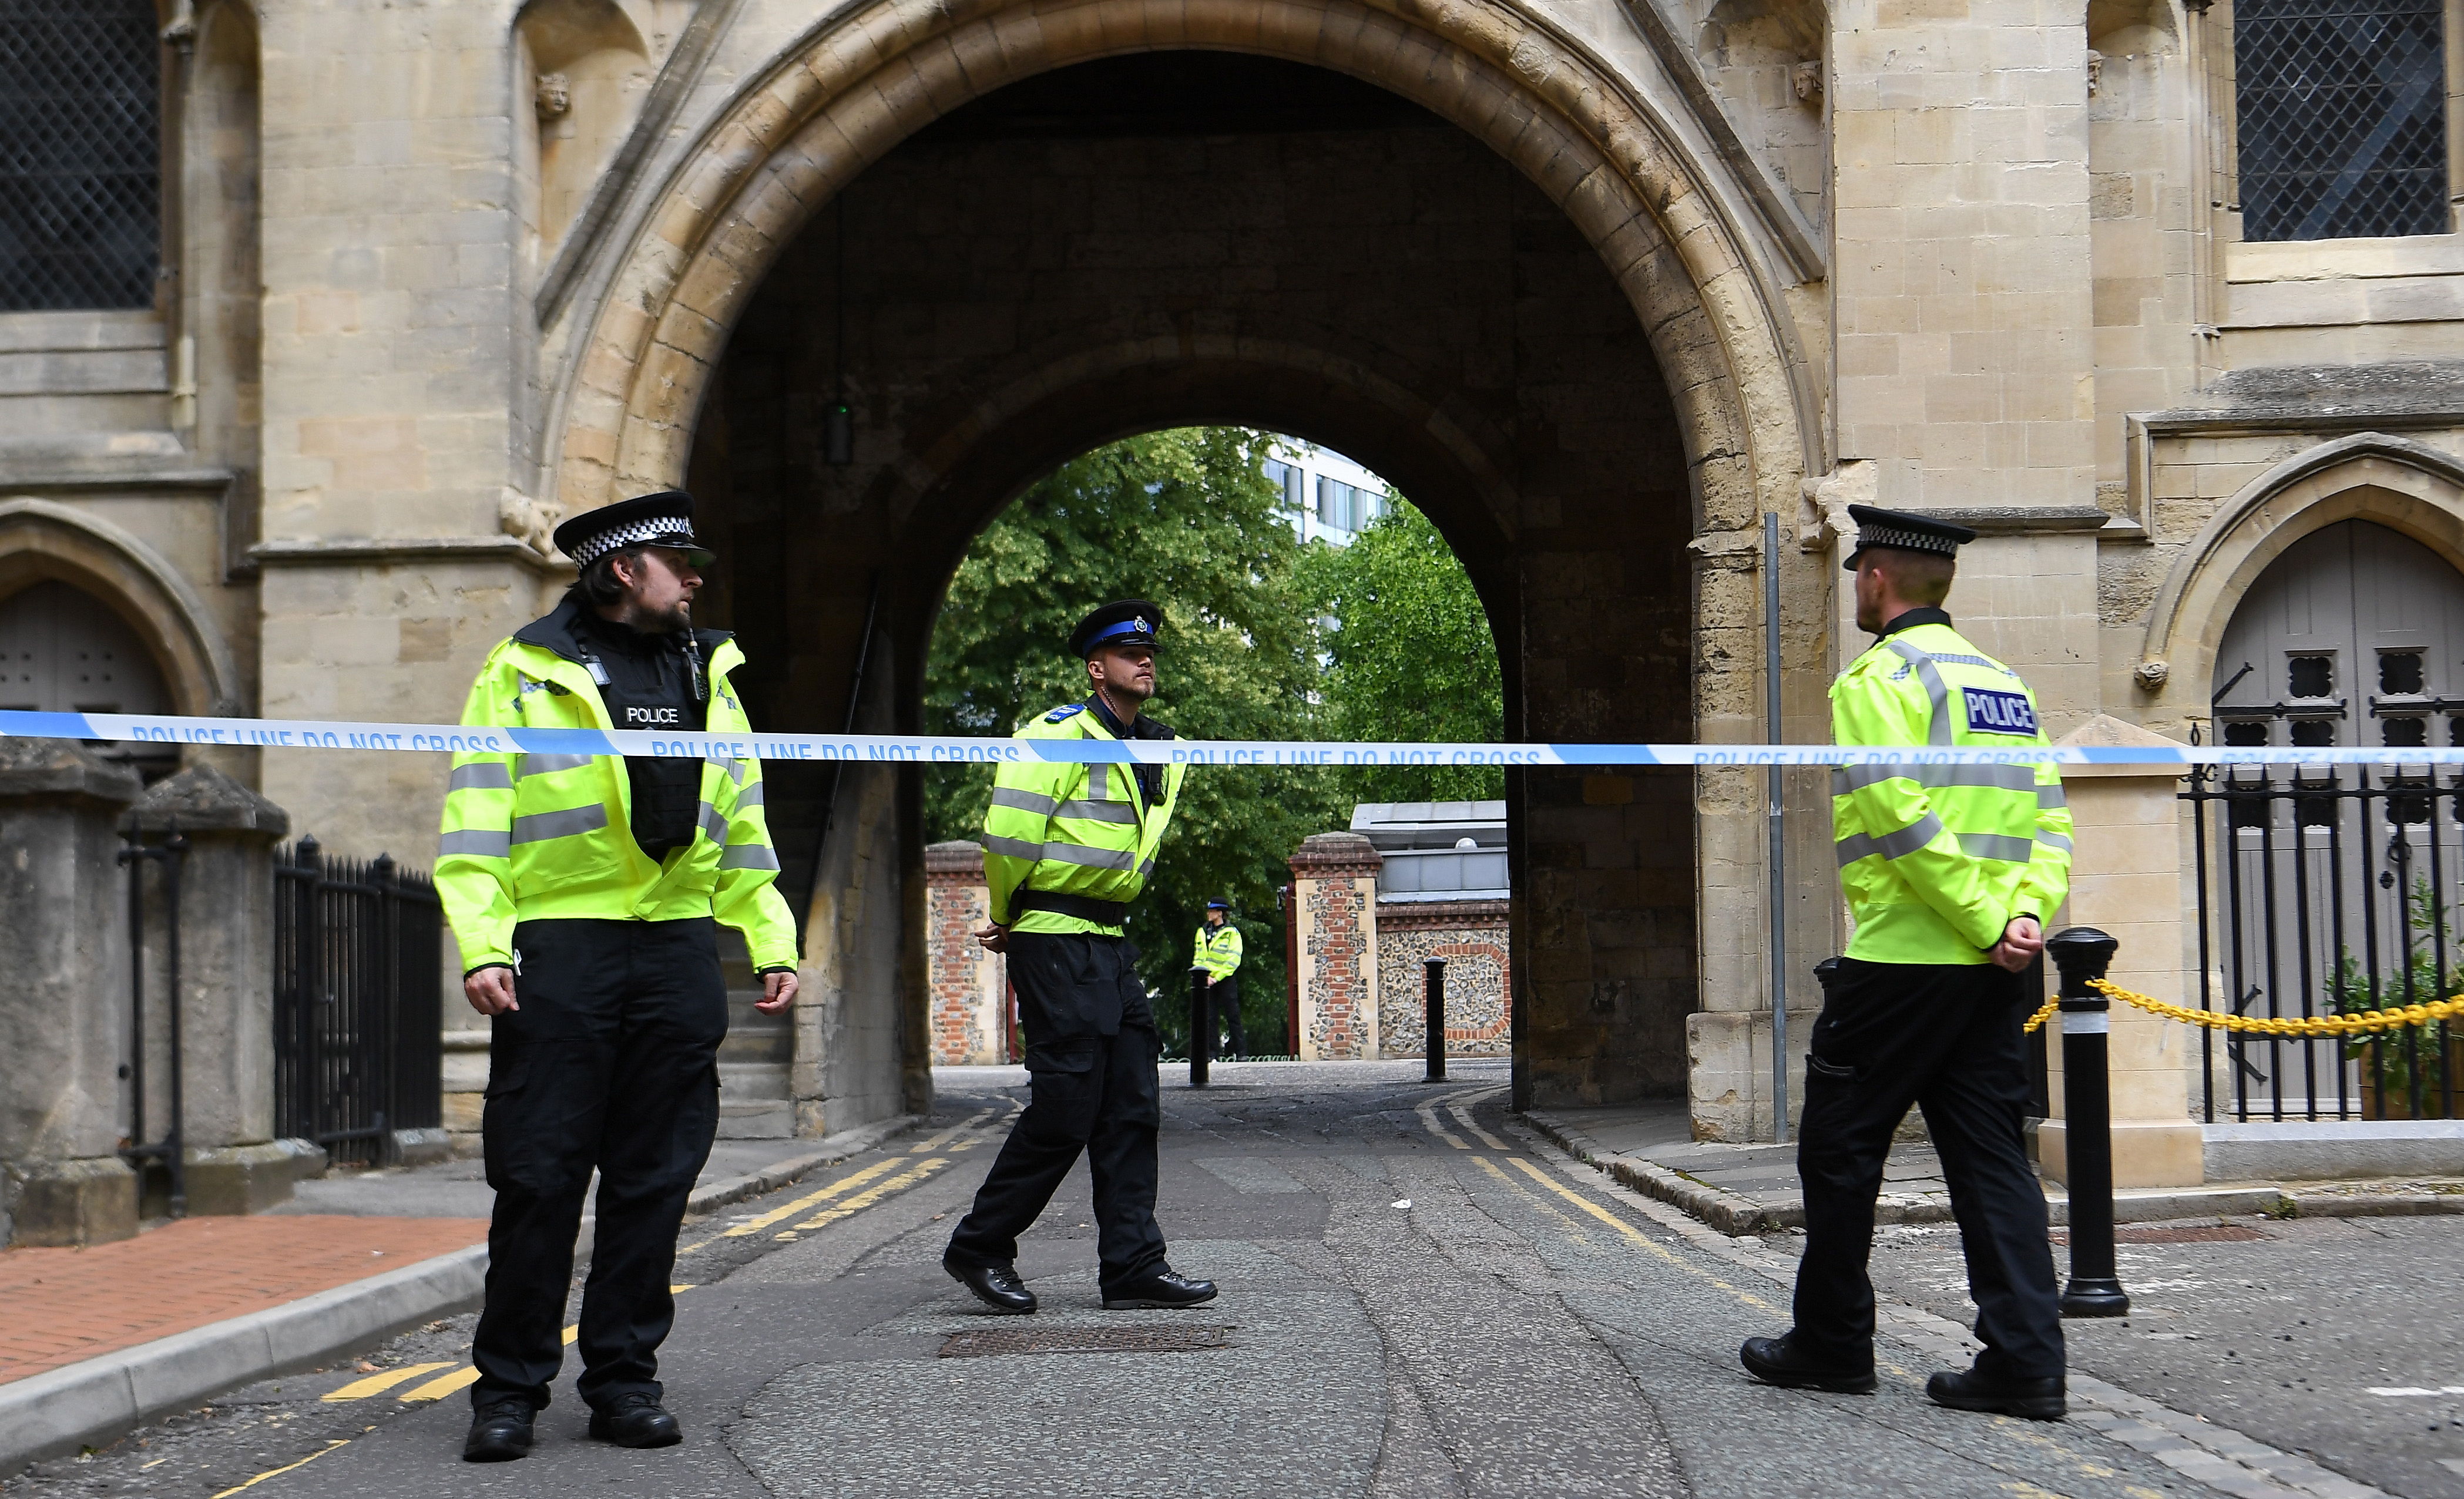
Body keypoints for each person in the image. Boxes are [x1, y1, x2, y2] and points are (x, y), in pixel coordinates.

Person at [435, 491, 799, 1462]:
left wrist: (768, 933)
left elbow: (743, 820)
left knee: (653, 1180)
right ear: (622, 570)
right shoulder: (522, 673)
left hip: (677, 949)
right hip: (562, 948)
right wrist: (483, 940)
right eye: (679, 562)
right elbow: (476, 819)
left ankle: (623, 1381)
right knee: (539, 1175)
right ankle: (506, 1389)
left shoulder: (711, 677)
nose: (695, 579)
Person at [1740, 504, 2074, 1421]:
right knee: (1989, 1160)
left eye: (1856, 575)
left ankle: (1833, 1342)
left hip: (1902, 961)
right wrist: (2022, 917)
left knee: (1839, 1149)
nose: (1854, 588)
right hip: (1995, 969)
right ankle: (2024, 1362)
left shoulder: (1875, 678)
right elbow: (2050, 821)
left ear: (1876, 578)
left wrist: (1974, 918)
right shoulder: (2002, 683)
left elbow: (1898, 813)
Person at [942, 600, 1217, 1316]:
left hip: (1109, 939)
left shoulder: (1158, 748)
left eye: (1150, 653)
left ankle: (1132, 1263)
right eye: (1129, 654)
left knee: (1132, 1105)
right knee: (1067, 1107)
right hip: (1055, 934)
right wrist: (1010, 914)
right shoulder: (1054, 738)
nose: (1146, 660)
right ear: (1097, 669)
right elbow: (1007, 840)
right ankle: (980, 1245)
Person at [1191, 899, 1245, 1060]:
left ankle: (1241, 1053)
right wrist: (1203, 976)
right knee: (1209, 1017)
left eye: (1212, 911)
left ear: (1220, 913)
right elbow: (1199, 957)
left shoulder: (1232, 933)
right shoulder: (1202, 932)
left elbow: (1233, 959)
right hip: (1206, 980)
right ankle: (1211, 1053)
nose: (1209, 914)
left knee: (1233, 1015)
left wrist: (1217, 977)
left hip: (1225, 978)